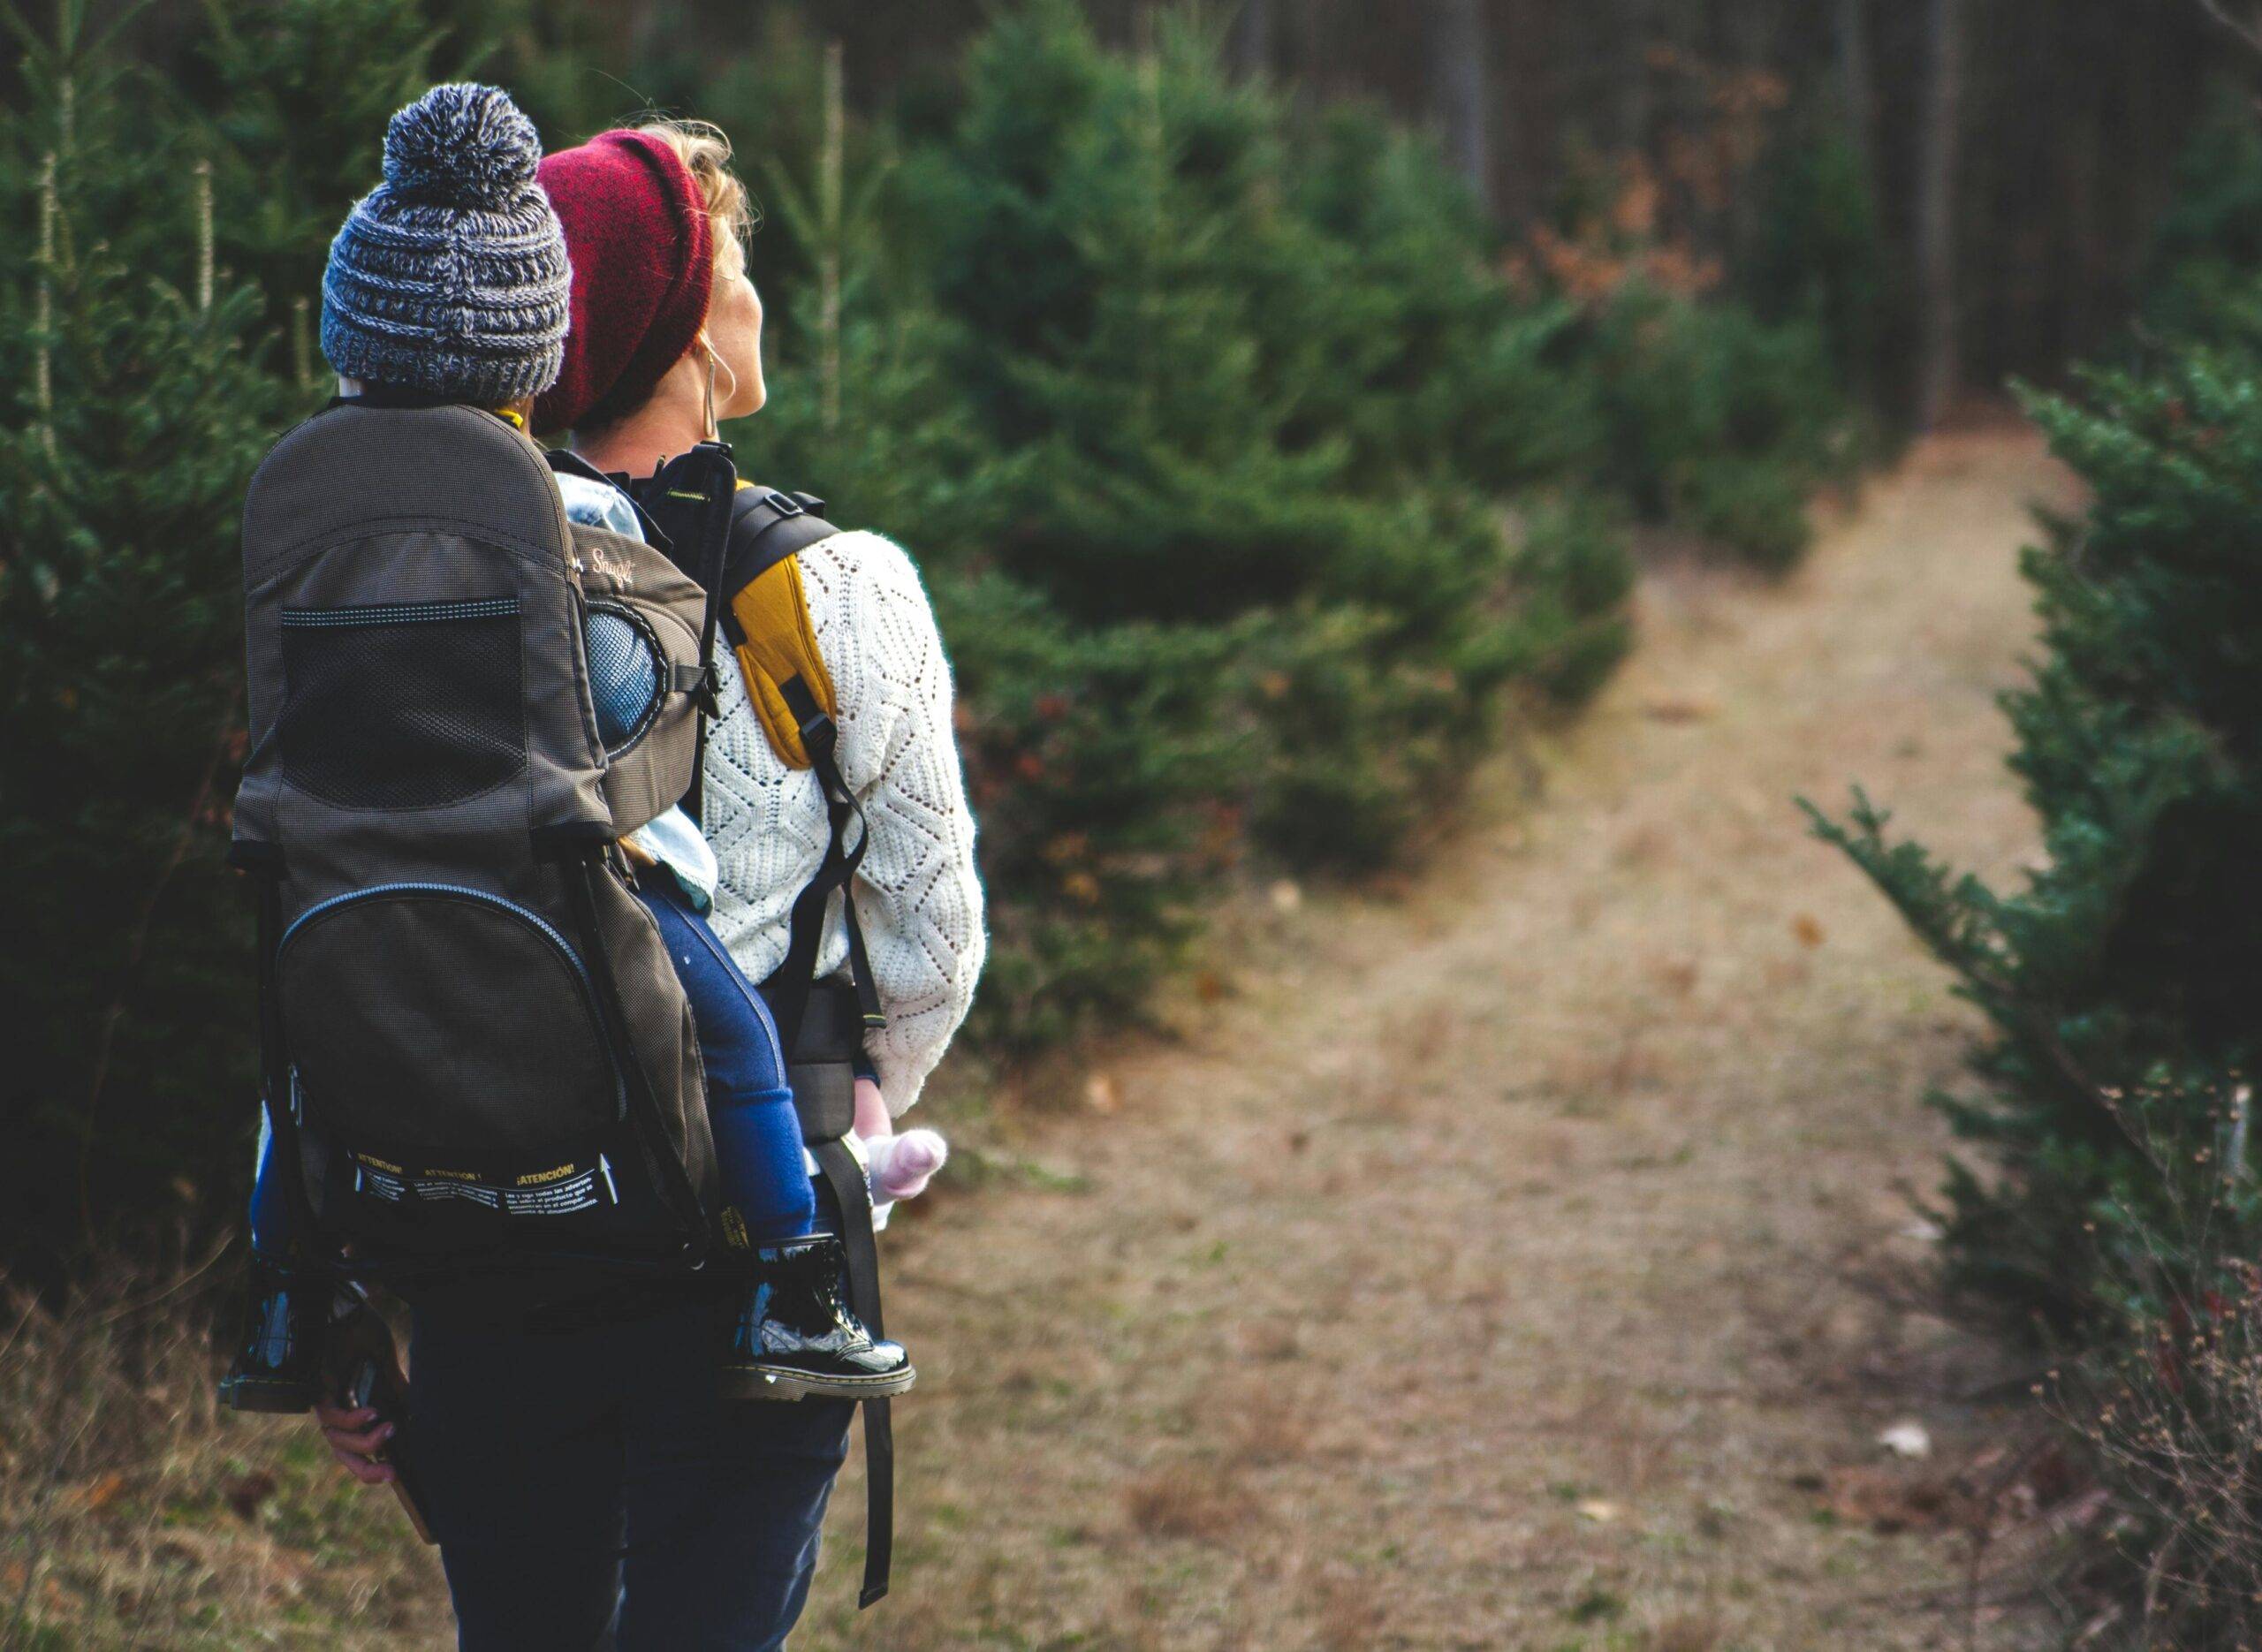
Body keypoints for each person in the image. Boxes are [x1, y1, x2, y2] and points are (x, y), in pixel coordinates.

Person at [282, 86, 984, 1648]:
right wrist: (844, 1126)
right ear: (677, 318)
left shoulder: (434, 581)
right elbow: (932, 933)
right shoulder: (833, 583)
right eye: (734, 261)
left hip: (490, 1235)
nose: (757, 291)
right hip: (749, 1256)